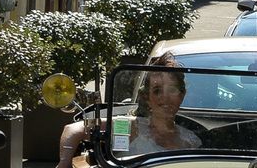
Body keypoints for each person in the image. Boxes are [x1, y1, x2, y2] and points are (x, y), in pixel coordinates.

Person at [56, 52, 200, 168]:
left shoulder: (190, 140)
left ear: (182, 95)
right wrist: (64, 163)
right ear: (147, 98)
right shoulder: (131, 127)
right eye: (157, 91)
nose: (165, 97)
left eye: (172, 90)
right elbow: (73, 129)